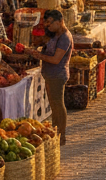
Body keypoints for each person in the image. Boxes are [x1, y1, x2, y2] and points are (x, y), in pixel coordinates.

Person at [28, 9, 73, 144]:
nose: (48, 26)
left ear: (59, 22)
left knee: (58, 105)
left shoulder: (65, 37)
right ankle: (56, 132)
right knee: (54, 105)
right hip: (51, 74)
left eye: (50, 23)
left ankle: (61, 135)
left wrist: (38, 55)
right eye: (46, 23)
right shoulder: (56, 34)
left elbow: (56, 59)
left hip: (57, 74)